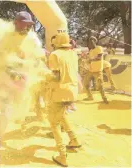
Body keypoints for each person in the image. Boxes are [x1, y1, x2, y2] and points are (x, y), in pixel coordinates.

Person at [0, 11, 44, 164]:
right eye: (24, 24)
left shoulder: (33, 39)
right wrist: (9, 71)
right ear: (16, 22)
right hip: (5, 80)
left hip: (22, 81)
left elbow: (38, 59)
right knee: (6, 112)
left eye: (29, 25)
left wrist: (31, 66)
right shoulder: (5, 38)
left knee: (14, 112)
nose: (27, 27)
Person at [47, 32, 81, 167]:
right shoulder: (73, 53)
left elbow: (55, 77)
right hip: (72, 91)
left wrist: (43, 76)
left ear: (57, 43)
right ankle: (74, 140)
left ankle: (62, 156)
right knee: (61, 116)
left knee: (54, 124)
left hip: (59, 92)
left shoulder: (54, 55)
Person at [83, 36, 108, 104]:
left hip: (98, 71)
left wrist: (90, 60)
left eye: (92, 41)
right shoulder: (90, 51)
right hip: (90, 70)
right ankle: (90, 96)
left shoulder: (99, 48)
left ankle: (104, 98)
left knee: (100, 86)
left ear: (95, 41)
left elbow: (99, 57)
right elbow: (90, 60)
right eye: (90, 42)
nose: (91, 43)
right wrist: (87, 61)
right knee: (86, 84)